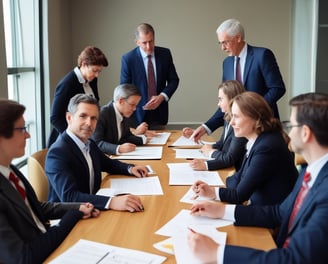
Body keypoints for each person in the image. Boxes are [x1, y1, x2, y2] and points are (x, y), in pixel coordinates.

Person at [188, 92, 328, 264]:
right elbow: (280, 212)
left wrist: (218, 253)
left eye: (291, 125)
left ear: (305, 133)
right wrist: (221, 211)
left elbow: (295, 259)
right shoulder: (311, 170)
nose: (288, 132)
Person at [0, 98, 100, 264]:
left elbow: (36, 207)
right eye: (22, 129)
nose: (28, 134)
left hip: (48, 244)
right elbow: (24, 258)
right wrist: (71, 217)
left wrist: (78, 207)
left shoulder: (9, 169)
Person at [188, 18, 286, 142]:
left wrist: (252, 111)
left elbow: (277, 88)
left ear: (238, 38)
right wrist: (206, 127)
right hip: (237, 131)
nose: (222, 48)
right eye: (220, 43)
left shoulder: (262, 55)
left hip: (262, 127)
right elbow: (227, 101)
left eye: (225, 42)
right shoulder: (227, 63)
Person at [46, 94, 148, 212]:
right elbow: (69, 197)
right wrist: (111, 202)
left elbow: (108, 164)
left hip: (93, 208)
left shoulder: (89, 143)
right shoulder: (57, 153)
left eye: (93, 118)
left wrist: (130, 168)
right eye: (83, 116)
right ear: (69, 118)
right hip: (69, 217)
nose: (89, 123)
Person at [191, 92, 297, 205]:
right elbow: (239, 177)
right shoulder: (258, 139)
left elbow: (238, 195)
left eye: (236, 116)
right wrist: (221, 187)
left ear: (256, 118)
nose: (231, 122)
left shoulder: (266, 147)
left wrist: (212, 192)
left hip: (268, 215)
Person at [120, 23, 180, 129]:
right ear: (137, 42)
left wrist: (162, 96)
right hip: (136, 114)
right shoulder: (128, 59)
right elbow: (124, 88)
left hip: (159, 113)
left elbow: (174, 80)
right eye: (144, 43)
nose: (148, 46)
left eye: (151, 41)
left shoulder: (165, 54)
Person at [48, 46, 109, 147]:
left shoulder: (92, 79)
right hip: (67, 141)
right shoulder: (67, 84)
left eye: (99, 71)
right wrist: (73, 138)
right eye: (94, 70)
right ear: (84, 64)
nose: (97, 75)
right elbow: (55, 117)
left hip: (85, 136)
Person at [189, 80, 247, 171]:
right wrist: (205, 146)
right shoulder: (228, 117)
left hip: (236, 171)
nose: (218, 103)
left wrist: (209, 158)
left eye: (221, 99)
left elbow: (230, 158)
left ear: (232, 99)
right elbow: (222, 143)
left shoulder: (238, 124)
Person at [92, 83, 154, 155]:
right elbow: (97, 143)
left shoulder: (124, 113)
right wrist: (118, 148)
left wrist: (144, 139)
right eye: (132, 105)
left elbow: (126, 137)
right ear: (121, 101)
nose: (134, 109)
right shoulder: (102, 114)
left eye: (136, 105)